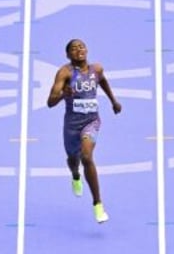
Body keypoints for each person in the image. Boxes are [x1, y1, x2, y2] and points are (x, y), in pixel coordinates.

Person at [47, 39, 122, 223]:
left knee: (87, 157)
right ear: (68, 55)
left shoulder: (96, 69)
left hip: (92, 121)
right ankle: (75, 175)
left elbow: (103, 82)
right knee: (74, 160)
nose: (78, 49)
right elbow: (50, 102)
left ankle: (98, 204)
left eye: (81, 46)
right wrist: (64, 94)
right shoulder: (64, 73)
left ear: (86, 50)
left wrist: (114, 101)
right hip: (72, 125)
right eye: (74, 48)